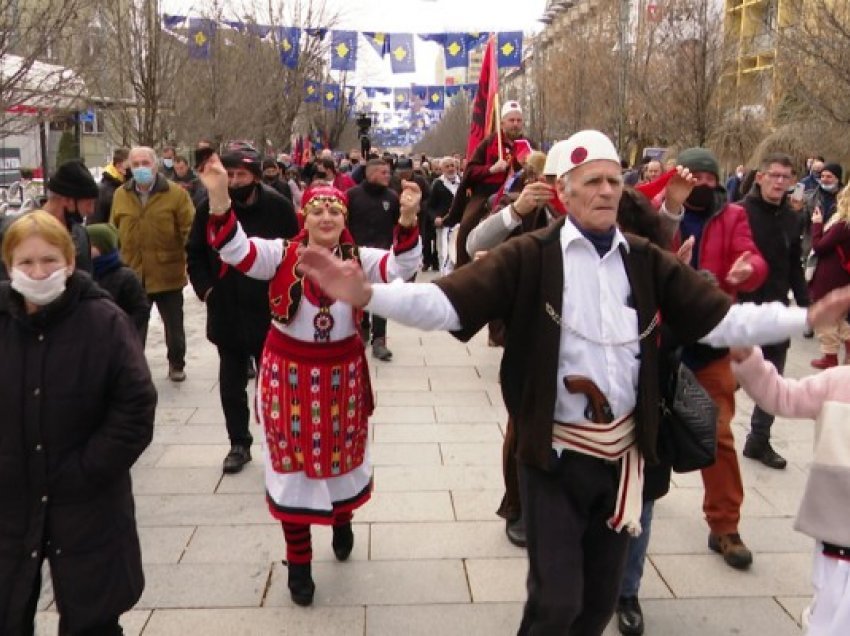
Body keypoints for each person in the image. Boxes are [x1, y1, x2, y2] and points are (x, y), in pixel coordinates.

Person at [295, 129, 850, 635]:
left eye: (614, 180)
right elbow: (447, 300)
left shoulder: (647, 261)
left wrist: (803, 318)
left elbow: (722, 318)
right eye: (593, 182)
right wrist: (371, 296)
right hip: (554, 458)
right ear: (564, 191)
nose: (608, 191)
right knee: (555, 601)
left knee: (597, 604)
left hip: (624, 461)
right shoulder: (529, 256)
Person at [196, 153, 421, 607]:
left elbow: (401, 268)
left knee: (341, 458)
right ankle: (298, 563)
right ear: (305, 215)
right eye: (316, 209)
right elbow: (236, 250)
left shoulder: (361, 259)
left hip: (342, 379)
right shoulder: (281, 254)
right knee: (290, 467)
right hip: (288, 377)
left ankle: (341, 518)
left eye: (333, 211)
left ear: (344, 218)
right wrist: (219, 197)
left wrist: (410, 217)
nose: (324, 216)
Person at [0, 211, 156, 635]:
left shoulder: (103, 321)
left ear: (70, 262)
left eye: (49, 260)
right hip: (11, 501)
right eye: (26, 262)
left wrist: (87, 468)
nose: (37, 272)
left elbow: (136, 406)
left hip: (88, 502)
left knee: (93, 618)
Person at [662, 146, 768, 571]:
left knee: (719, 433)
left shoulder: (733, 215)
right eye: (694, 179)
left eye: (708, 180)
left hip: (711, 341)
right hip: (661, 340)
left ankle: (725, 526)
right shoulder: (661, 211)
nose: (701, 187)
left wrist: (749, 270)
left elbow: (753, 257)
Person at [187, 148, 299, 475]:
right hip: (227, 307)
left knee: (275, 386)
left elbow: (293, 254)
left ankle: (279, 445)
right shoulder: (208, 208)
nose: (234, 181)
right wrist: (207, 290)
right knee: (231, 383)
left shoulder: (278, 207)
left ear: (256, 177)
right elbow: (194, 253)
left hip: (268, 312)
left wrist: (286, 298)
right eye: (230, 174)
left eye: (242, 175)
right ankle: (239, 443)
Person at [731, 345, 850, 636]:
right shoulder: (839, 382)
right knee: (831, 620)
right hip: (839, 542)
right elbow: (781, 395)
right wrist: (749, 360)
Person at [737, 153, 809, 469]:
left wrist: (807, 307)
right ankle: (707, 437)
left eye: (786, 176)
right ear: (761, 177)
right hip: (742, 310)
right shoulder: (738, 212)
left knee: (772, 378)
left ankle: (758, 439)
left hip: (777, 309)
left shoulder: (793, 218)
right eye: (774, 175)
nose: (780, 181)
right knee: (728, 380)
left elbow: (795, 265)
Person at [111, 146, 195, 382]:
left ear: (155, 166)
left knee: (174, 327)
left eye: (145, 163)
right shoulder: (121, 195)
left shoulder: (176, 194)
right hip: (133, 273)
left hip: (167, 270)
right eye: (135, 164)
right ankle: (133, 367)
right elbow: (113, 231)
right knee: (134, 327)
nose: (140, 169)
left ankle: (176, 364)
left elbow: (190, 230)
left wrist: (192, 262)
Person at [441, 101, 531, 268]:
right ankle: (462, 271)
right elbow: (470, 171)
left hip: (520, 193)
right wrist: (491, 169)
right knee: (467, 226)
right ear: (502, 123)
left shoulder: (528, 145)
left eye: (519, 120)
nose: (515, 124)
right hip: (486, 195)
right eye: (511, 120)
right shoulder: (489, 143)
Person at [0, 159, 99, 280]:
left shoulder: (81, 235)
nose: (91, 211)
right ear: (67, 200)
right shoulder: (12, 231)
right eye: (88, 204)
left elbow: (87, 284)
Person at [346, 159, 402, 361]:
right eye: (383, 172)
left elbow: (399, 225)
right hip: (357, 254)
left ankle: (380, 340)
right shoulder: (352, 196)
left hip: (383, 257)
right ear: (370, 174)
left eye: (388, 172)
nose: (388, 175)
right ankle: (362, 328)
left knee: (381, 298)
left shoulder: (392, 197)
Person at [808, 184, 850, 369]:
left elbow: (820, 246)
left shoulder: (843, 225)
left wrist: (817, 224)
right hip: (843, 275)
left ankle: (830, 355)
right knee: (838, 316)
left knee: (824, 315)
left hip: (830, 274)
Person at [86, 223, 150, 338]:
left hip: (120, 339)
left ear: (102, 247)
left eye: (90, 245)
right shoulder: (84, 273)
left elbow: (141, 309)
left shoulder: (126, 276)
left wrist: (123, 331)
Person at [430, 156, 461, 273]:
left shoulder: (462, 182)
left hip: (460, 223)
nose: (450, 169)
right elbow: (430, 206)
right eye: (447, 166)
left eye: (452, 166)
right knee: (445, 252)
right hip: (444, 224)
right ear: (442, 169)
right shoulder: (437, 184)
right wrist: (435, 218)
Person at [93, 147, 130, 224]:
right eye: (131, 164)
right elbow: (94, 223)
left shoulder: (126, 185)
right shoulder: (104, 191)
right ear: (119, 166)